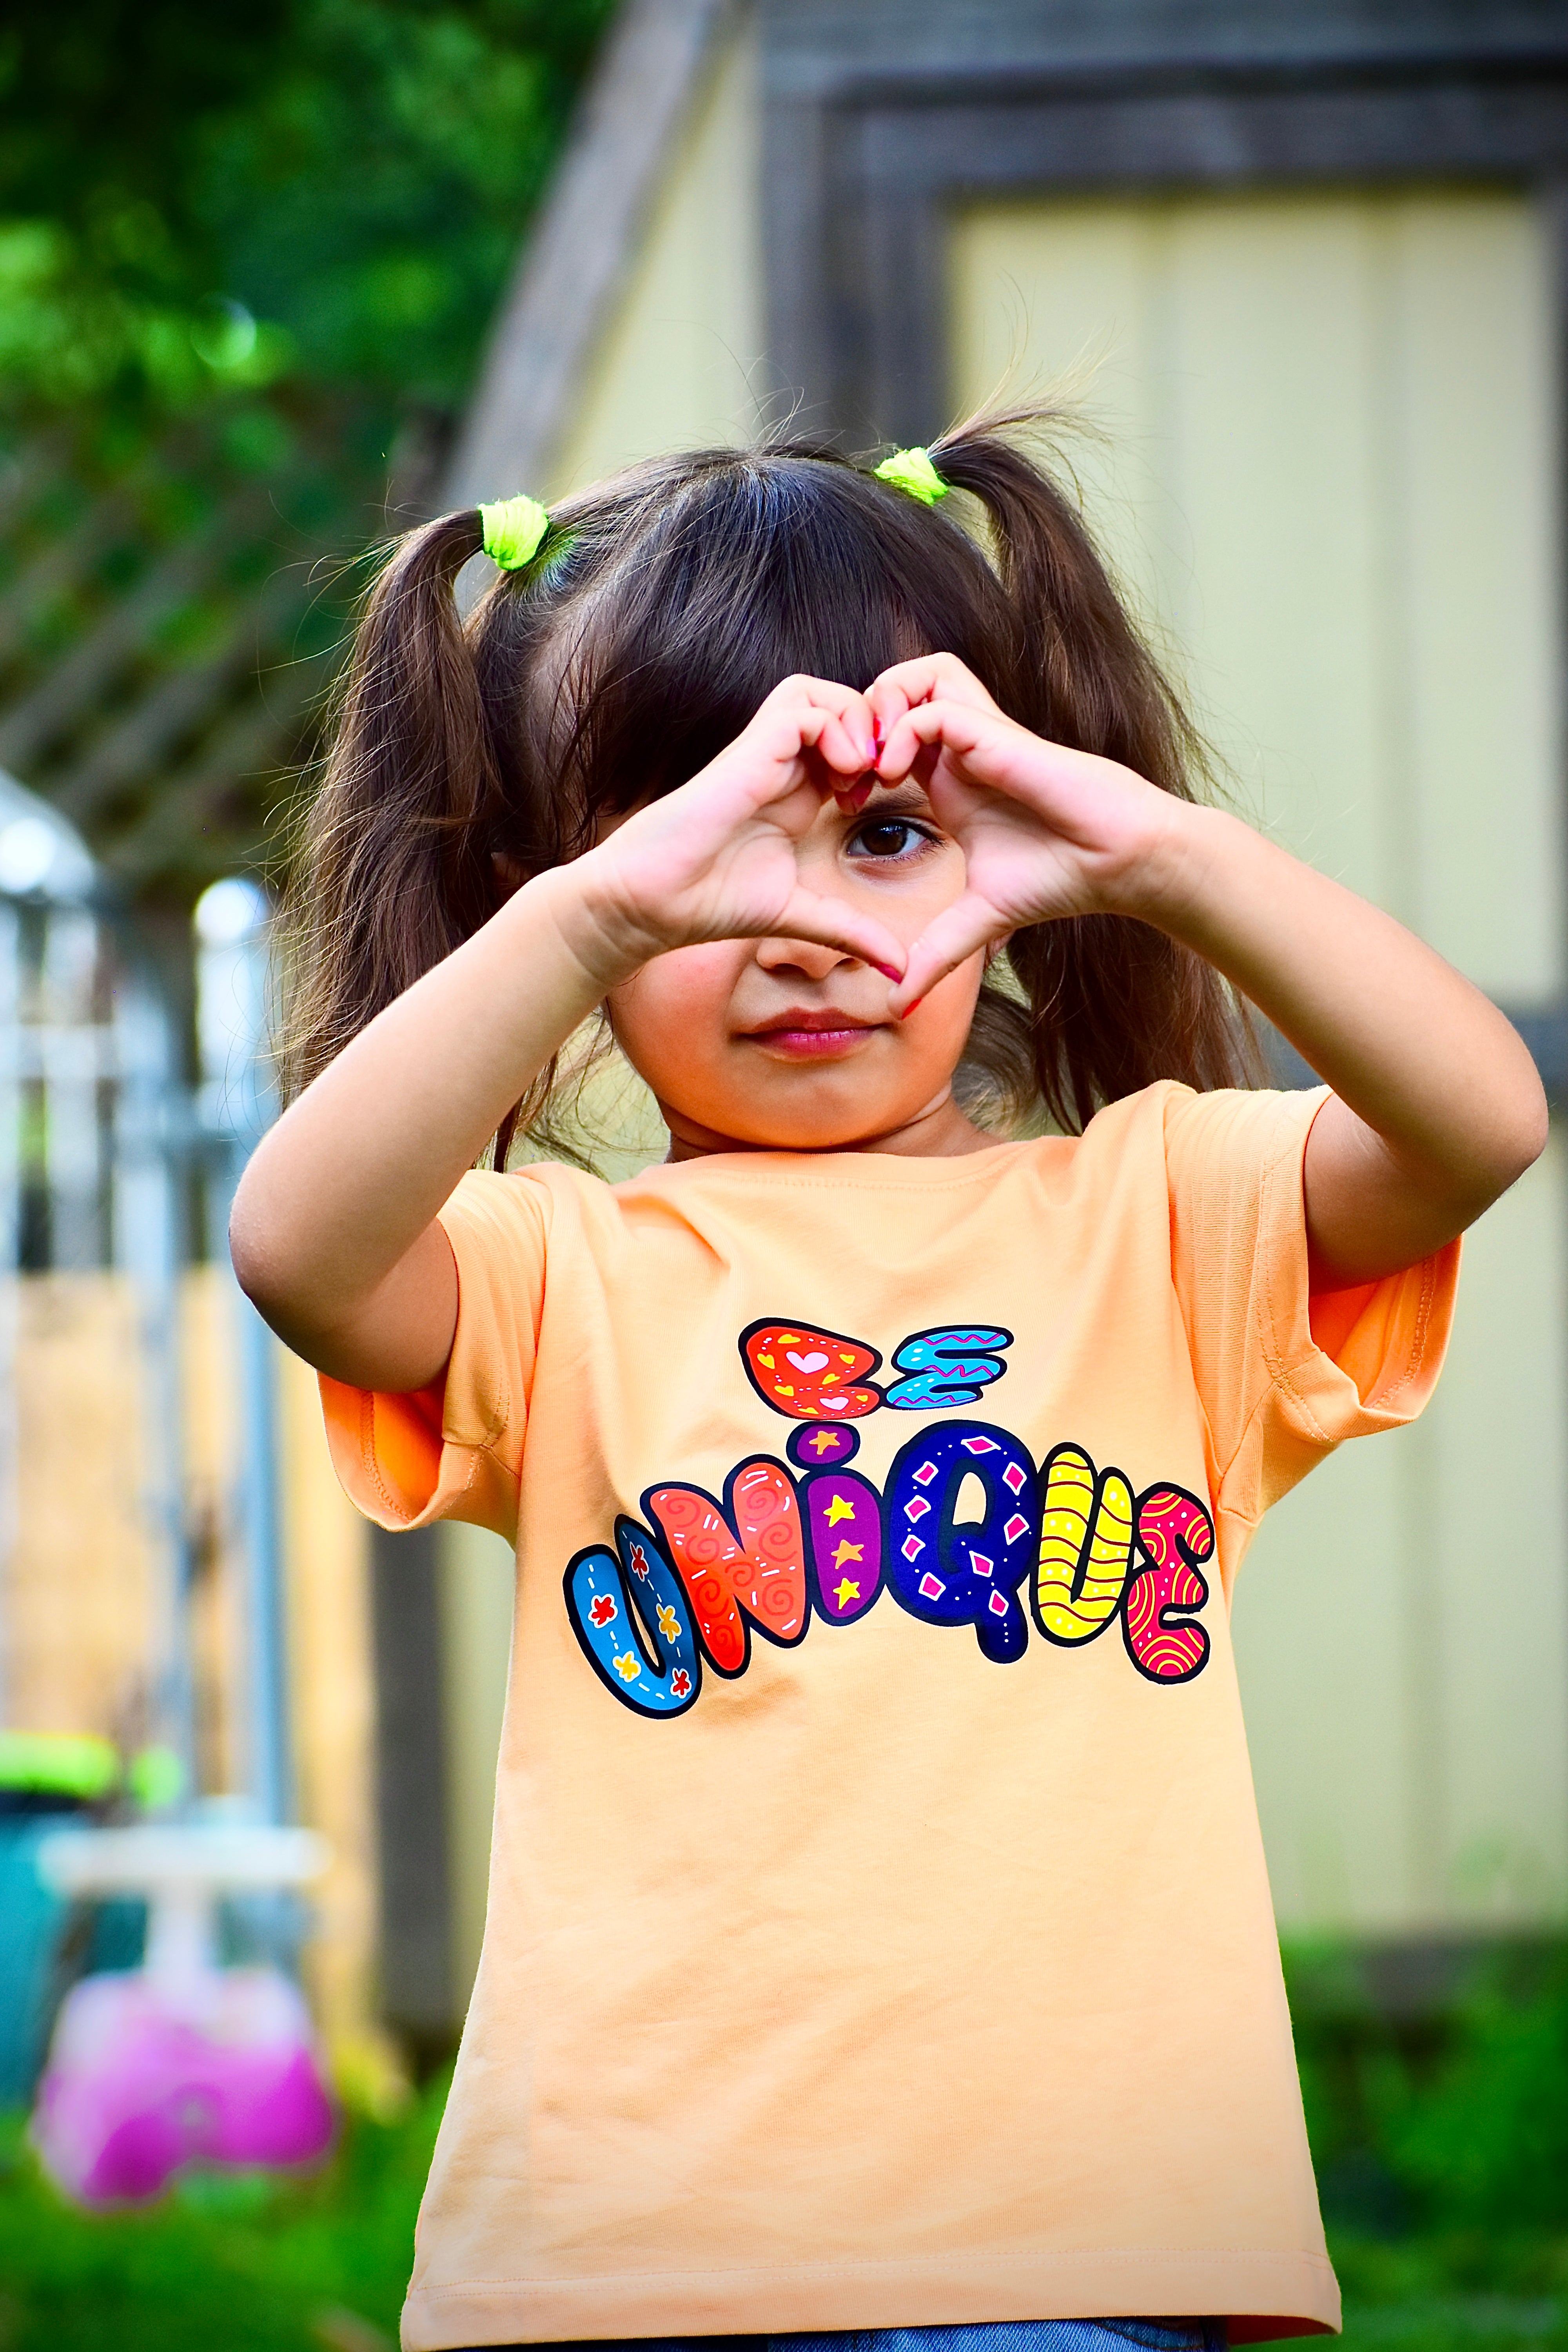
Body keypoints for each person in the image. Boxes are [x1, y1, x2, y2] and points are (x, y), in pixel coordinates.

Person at [231, 416, 1546, 2352]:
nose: (807, 930)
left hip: (1102, 2263)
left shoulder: (1167, 1220)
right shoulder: (555, 1275)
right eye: (706, 848)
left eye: (885, 837)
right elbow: (298, 1249)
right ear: (572, 893)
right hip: (636, 2269)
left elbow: (1475, 1121)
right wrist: (597, 909)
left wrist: (1155, 850)